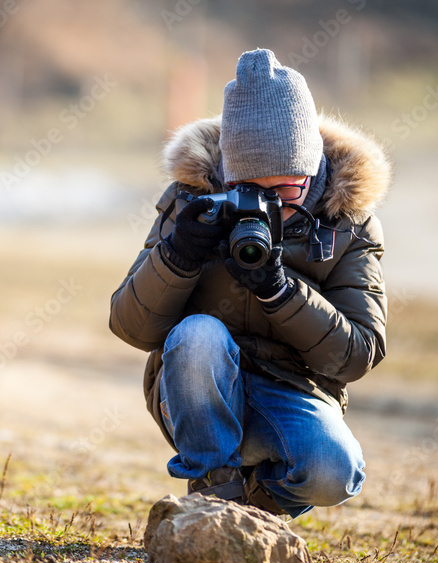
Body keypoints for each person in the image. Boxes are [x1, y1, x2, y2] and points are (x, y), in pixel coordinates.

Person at [109, 49, 391, 519]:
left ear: (313, 169)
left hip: (293, 386)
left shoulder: (347, 221)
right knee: (199, 335)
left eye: (286, 192)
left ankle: (254, 507)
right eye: (253, 192)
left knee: (335, 474)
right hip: (197, 388)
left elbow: (359, 353)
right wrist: (176, 256)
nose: (270, 208)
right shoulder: (194, 200)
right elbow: (130, 327)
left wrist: (281, 292)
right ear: (228, 176)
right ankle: (213, 489)